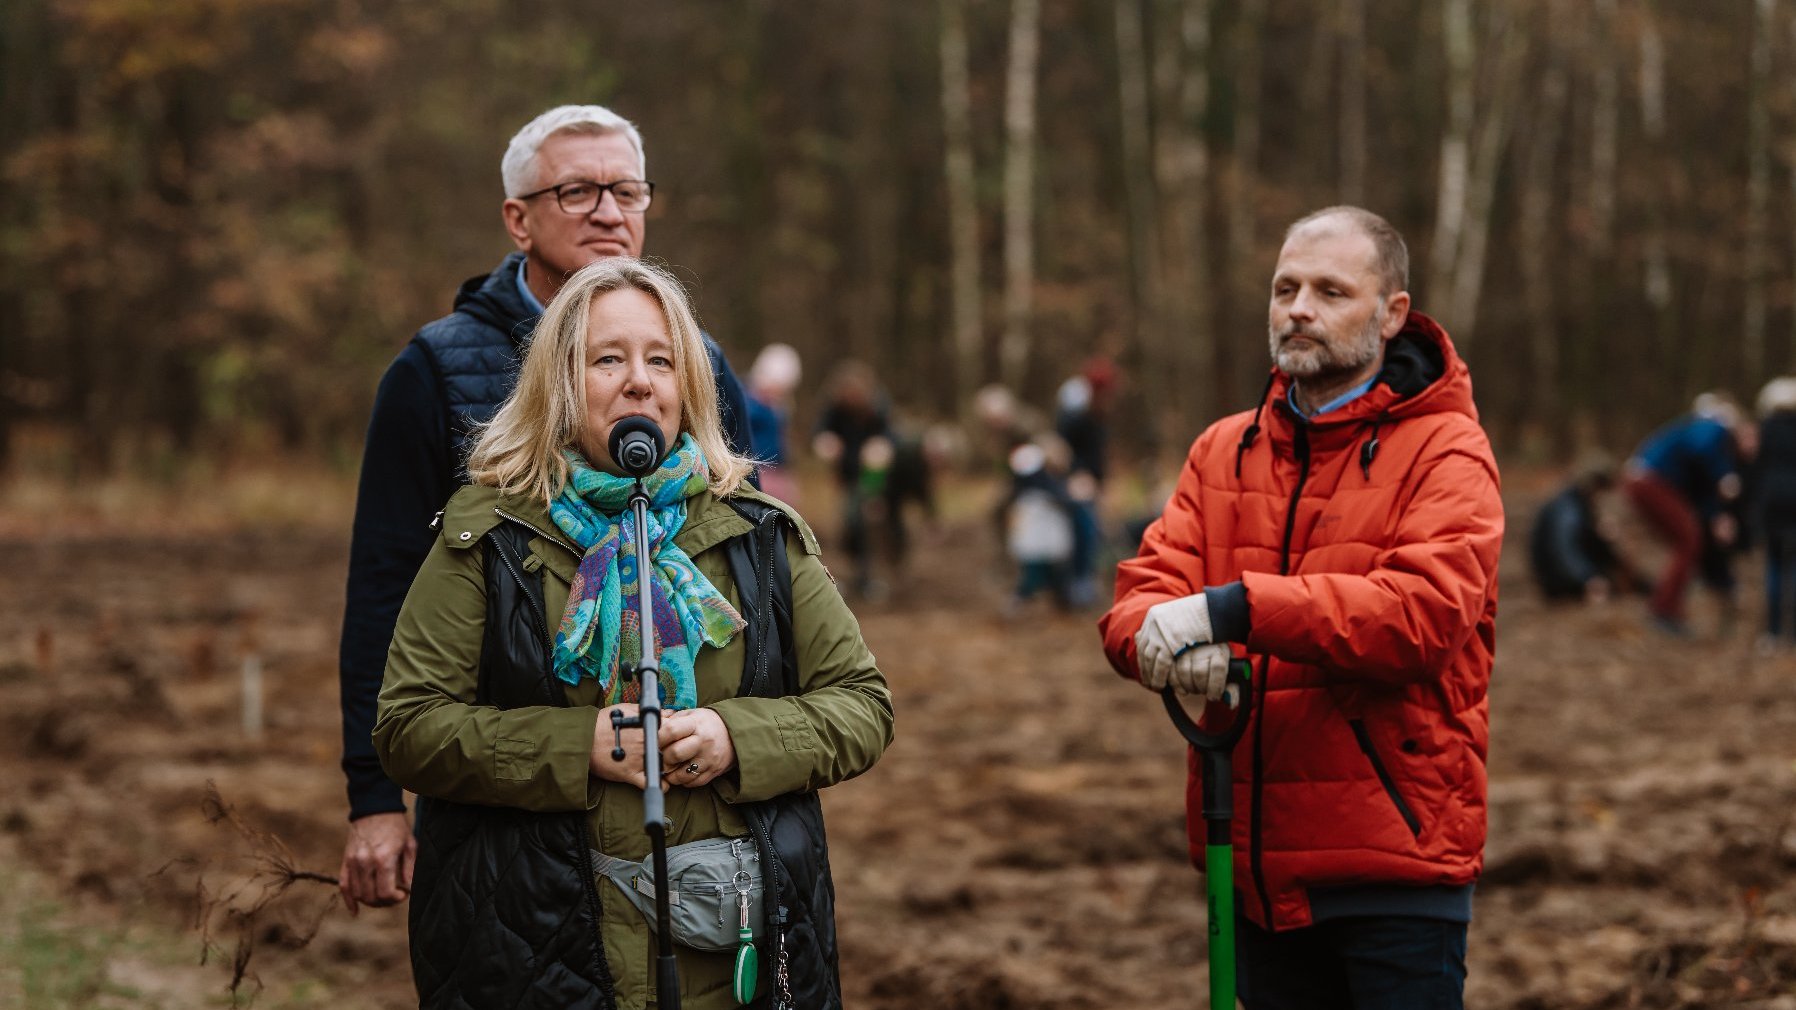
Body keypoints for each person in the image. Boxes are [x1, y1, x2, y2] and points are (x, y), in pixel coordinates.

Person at [373, 258, 893, 1009]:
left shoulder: (758, 536)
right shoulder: (486, 540)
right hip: (540, 947)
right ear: (560, 384)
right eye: (607, 359)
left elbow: (863, 705)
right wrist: (574, 747)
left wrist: (733, 736)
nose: (639, 381)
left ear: (689, 386)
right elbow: (409, 727)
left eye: (661, 359)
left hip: (737, 946)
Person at [337, 104, 759, 917]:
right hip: (505, 813)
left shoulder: (699, 366)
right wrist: (375, 798)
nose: (609, 211)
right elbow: (383, 592)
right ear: (517, 219)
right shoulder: (434, 371)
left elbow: (748, 573)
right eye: (577, 191)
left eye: (627, 190)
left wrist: (739, 736)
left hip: (687, 801)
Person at [1099, 206, 1503, 1009]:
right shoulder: (1224, 450)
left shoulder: (1449, 451)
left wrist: (1235, 610)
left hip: (1394, 871)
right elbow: (1141, 593)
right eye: (1285, 288)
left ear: (1392, 315)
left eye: (1330, 290)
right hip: (1250, 871)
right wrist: (1152, 640)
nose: (1299, 309)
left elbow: (1417, 618)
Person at [1622, 393, 1751, 636]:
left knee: (1687, 542)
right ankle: (1663, 610)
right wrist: (1724, 475)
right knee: (1688, 540)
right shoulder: (1714, 425)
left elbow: (1700, 490)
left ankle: (1668, 606)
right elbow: (1701, 449)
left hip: (1646, 480)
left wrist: (1715, 515)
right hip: (1651, 481)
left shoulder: (1706, 434)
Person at [1528, 454, 1642, 603]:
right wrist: (1587, 578)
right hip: (1562, 581)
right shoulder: (1568, 509)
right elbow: (1565, 546)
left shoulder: (1577, 504)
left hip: (1568, 575)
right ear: (1593, 483)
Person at [1754, 377, 1796, 649]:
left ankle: (1773, 631)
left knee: (1774, 564)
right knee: (1793, 566)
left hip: (1772, 504)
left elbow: (1756, 468)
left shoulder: (1765, 429)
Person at [745, 342, 802, 505]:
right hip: (757, 468)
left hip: (778, 468)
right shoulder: (750, 403)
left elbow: (780, 438)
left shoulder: (778, 406)